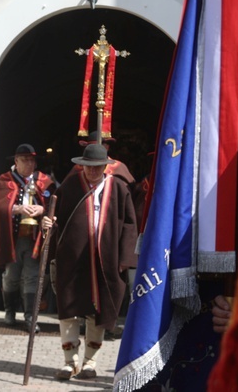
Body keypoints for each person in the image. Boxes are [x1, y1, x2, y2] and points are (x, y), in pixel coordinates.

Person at [42, 144, 136, 380]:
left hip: (105, 261)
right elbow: (56, 220)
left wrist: (125, 258)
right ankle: (69, 362)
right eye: (88, 167)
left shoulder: (118, 189)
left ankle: (90, 362)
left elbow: (129, 225)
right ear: (82, 166)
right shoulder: (70, 187)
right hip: (72, 259)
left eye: (97, 168)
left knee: (98, 310)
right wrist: (48, 225)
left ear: (105, 167)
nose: (92, 172)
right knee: (69, 309)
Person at [0, 143, 53, 332]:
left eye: (32, 160)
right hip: (12, 238)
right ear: (16, 161)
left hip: (35, 238)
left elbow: (55, 202)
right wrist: (17, 208)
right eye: (25, 160)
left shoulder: (44, 181)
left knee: (32, 277)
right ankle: (10, 311)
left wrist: (42, 209)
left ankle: (30, 317)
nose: (29, 164)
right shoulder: (5, 180)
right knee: (11, 276)